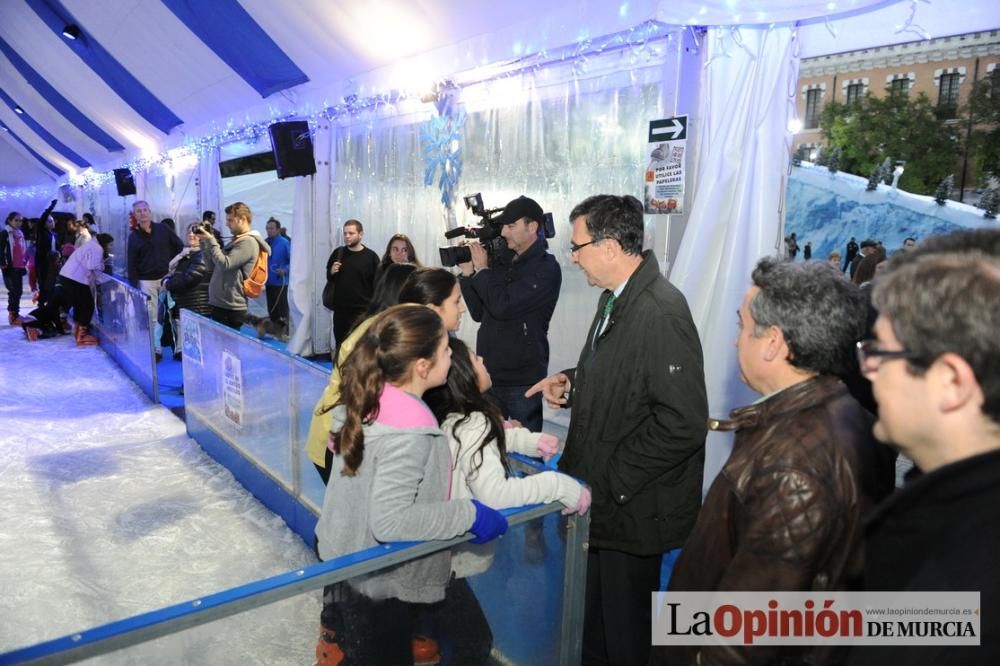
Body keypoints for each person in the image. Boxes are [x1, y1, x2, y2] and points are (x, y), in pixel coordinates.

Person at [651, 257, 896, 666]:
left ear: (773, 342)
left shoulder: (792, 465)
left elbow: (744, 637)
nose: (735, 341)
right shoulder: (849, 414)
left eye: (742, 326)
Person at [527, 194, 708, 666]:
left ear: (609, 247)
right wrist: (574, 381)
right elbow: (622, 376)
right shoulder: (616, 299)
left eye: (577, 245)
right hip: (605, 504)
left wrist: (610, 480)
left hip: (632, 509)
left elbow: (681, 422)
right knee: (594, 631)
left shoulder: (661, 310)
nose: (572, 256)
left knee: (624, 640)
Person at [313, 305, 508, 665]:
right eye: (447, 351)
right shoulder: (410, 431)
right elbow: (390, 522)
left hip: (353, 569)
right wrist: (469, 514)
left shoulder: (370, 399)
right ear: (422, 366)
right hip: (379, 583)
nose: (453, 357)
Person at [845, 232, 1000, 665]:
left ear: (951, 382)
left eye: (880, 350)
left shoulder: (961, 581)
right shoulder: (946, 508)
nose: (868, 368)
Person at [421, 336, 591, 663]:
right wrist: (556, 484)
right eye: (474, 358)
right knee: (474, 642)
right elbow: (496, 495)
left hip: (441, 554)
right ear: (463, 375)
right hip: (449, 560)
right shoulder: (475, 422)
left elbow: (482, 439)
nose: (483, 358)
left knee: (459, 634)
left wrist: (526, 441)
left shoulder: (454, 417)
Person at [306, 266, 464, 484]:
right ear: (431, 308)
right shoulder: (394, 337)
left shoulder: (389, 326)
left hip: (344, 437)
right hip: (343, 440)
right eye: (456, 301)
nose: (462, 309)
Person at [458, 196, 562, 431]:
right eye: (503, 226)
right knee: (489, 443)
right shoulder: (502, 262)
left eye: (511, 226)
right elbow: (479, 313)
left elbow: (502, 306)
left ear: (532, 227)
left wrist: (483, 270)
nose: (503, 232)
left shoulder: (545, 268)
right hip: (488, 374)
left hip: (521, 380)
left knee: (524, 448)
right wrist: (467, 275)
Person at [24, 234, 115, 345]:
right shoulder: (97, 248)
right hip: (76, 278)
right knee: (88, 304)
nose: (111, 247)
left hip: (70, 277)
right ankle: (81, 335)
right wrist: (103, 270)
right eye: (110, 245)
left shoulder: (90, 245)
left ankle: (78, 332)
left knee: (80, 304)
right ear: (104, 243)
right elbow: (93, 266)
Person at [195, 201, 270, 331]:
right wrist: (204, 242)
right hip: (221, 304)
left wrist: (211, 240)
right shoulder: (237, 240)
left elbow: (225, 264)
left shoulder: (248, 242)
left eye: (230, 220)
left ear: (243, 219)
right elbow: (212, 266)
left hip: (230, 308)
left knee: (226, 349)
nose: (226, 223)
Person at [127, 201, 184, 359]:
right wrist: (134, 285)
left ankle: (179, 348)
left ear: (150, 212)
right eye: (139, 211)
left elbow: (179, 246)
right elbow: (131, 262)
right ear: (135, 215)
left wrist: (175, 268)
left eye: (145, 210)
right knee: (153, 317)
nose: (143, 213)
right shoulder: (133, 237)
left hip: (168, 278)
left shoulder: (163, 229)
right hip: (146, 281)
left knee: (175, 314)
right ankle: (156, 349)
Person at [324, 219, 379, 349]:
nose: (347, 236)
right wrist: (331, 272)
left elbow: (377, 284)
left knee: (361, 348)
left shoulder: (371, 257)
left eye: (351, 233)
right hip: (341, 312)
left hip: (362, 312)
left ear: (361, 234)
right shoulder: (338, 253)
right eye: (345, 233)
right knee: (341, 346)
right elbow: (330, 278)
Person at [163, 223, 215, 359]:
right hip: (185, 308)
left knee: (197, 355)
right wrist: (180, 256)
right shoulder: (188, 254)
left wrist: (167, 283)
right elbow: (171, 270)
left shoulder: (202, 255)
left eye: (196, 232)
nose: (191, 235)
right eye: (189, 232)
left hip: (196, 309)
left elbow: (188, 279)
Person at [264, 217, 291, 335]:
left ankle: (284, 337)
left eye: (271, 228)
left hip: (281, 284)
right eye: (267, 228)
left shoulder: (285, 243)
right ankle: (274, 336)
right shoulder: (265, 243)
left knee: (282, 313)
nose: (269, 231)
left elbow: (294, 261)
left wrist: (285, 270)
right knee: (272, 311)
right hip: (269, 283)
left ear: (278, 229)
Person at [2, 211, 29, 325]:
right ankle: (13, 315)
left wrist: (25, 260)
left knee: (18, 291)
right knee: (14, 291)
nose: (19, 223)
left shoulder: (20, 233)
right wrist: (3, 264)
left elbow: (22, 248)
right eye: (16, 220)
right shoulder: (5, 233)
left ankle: (15, 313)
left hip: (19, 266)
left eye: (20, 220)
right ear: (10, 220)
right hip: (10, 267)